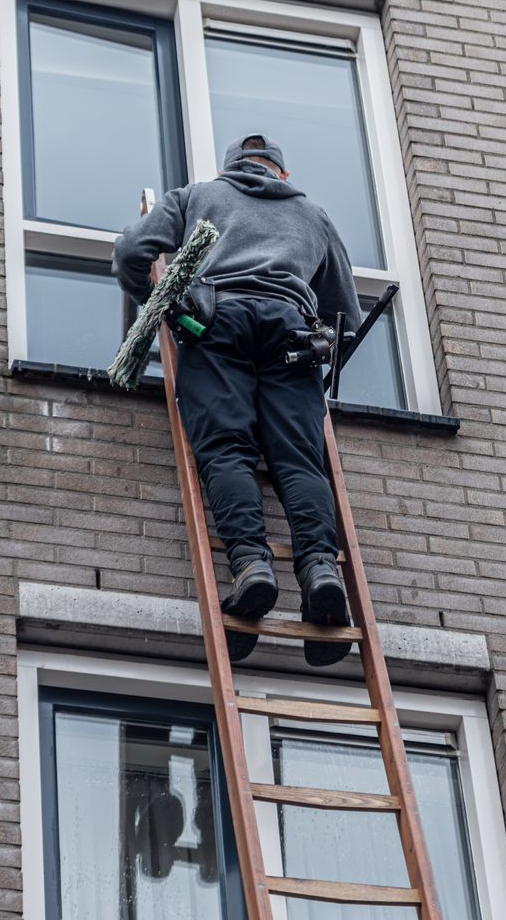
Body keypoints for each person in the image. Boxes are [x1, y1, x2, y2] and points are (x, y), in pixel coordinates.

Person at [115, 133, 364, 665]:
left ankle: (251, 565)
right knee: (299, 459)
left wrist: (163, 304)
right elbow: (347, 319)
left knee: (226, 450)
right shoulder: (314, 217)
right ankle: (321, 571)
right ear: (283, 174)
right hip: (292, 333)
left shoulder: (194, 197)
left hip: (216, 322)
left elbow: (131, 253)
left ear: (231, 168)